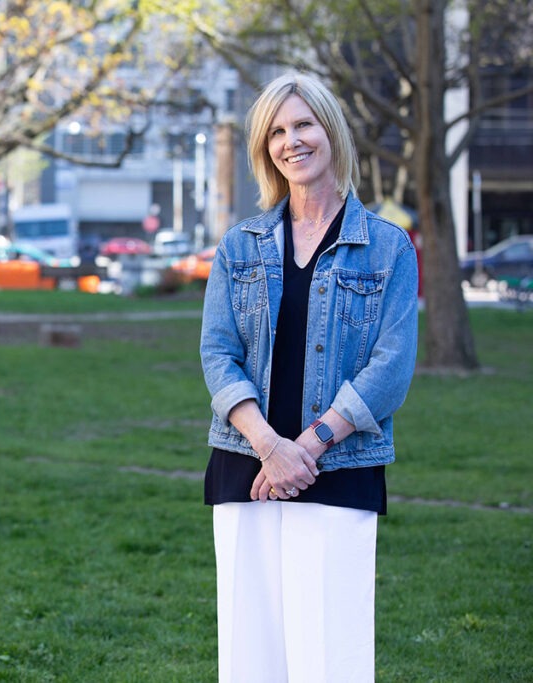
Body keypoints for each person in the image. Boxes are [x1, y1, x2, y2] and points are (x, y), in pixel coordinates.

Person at [200, 72, 418, 683]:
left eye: (302, 125)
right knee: (250, 657)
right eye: (275, 131)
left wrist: (307, 447)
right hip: (246, 465)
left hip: (339, 467)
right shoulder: (239, 246)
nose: (290, 141)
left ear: (331, 132)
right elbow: (218, 355)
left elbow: (391, 368)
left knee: (332, 657)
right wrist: (271, 448)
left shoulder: (387, 248)